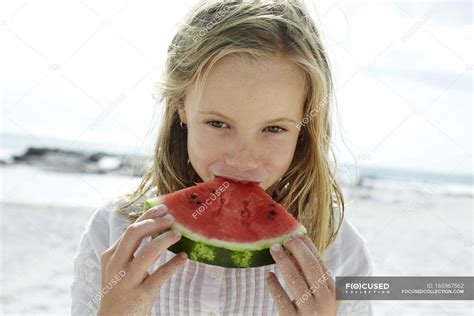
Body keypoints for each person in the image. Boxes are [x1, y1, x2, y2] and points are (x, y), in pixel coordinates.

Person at [71, 1, 374, 315]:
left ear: (305, 127)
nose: (243, 159)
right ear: (181, 107)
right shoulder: (113, 232)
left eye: (273, 128)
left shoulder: (339, 249)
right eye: (218, 123)